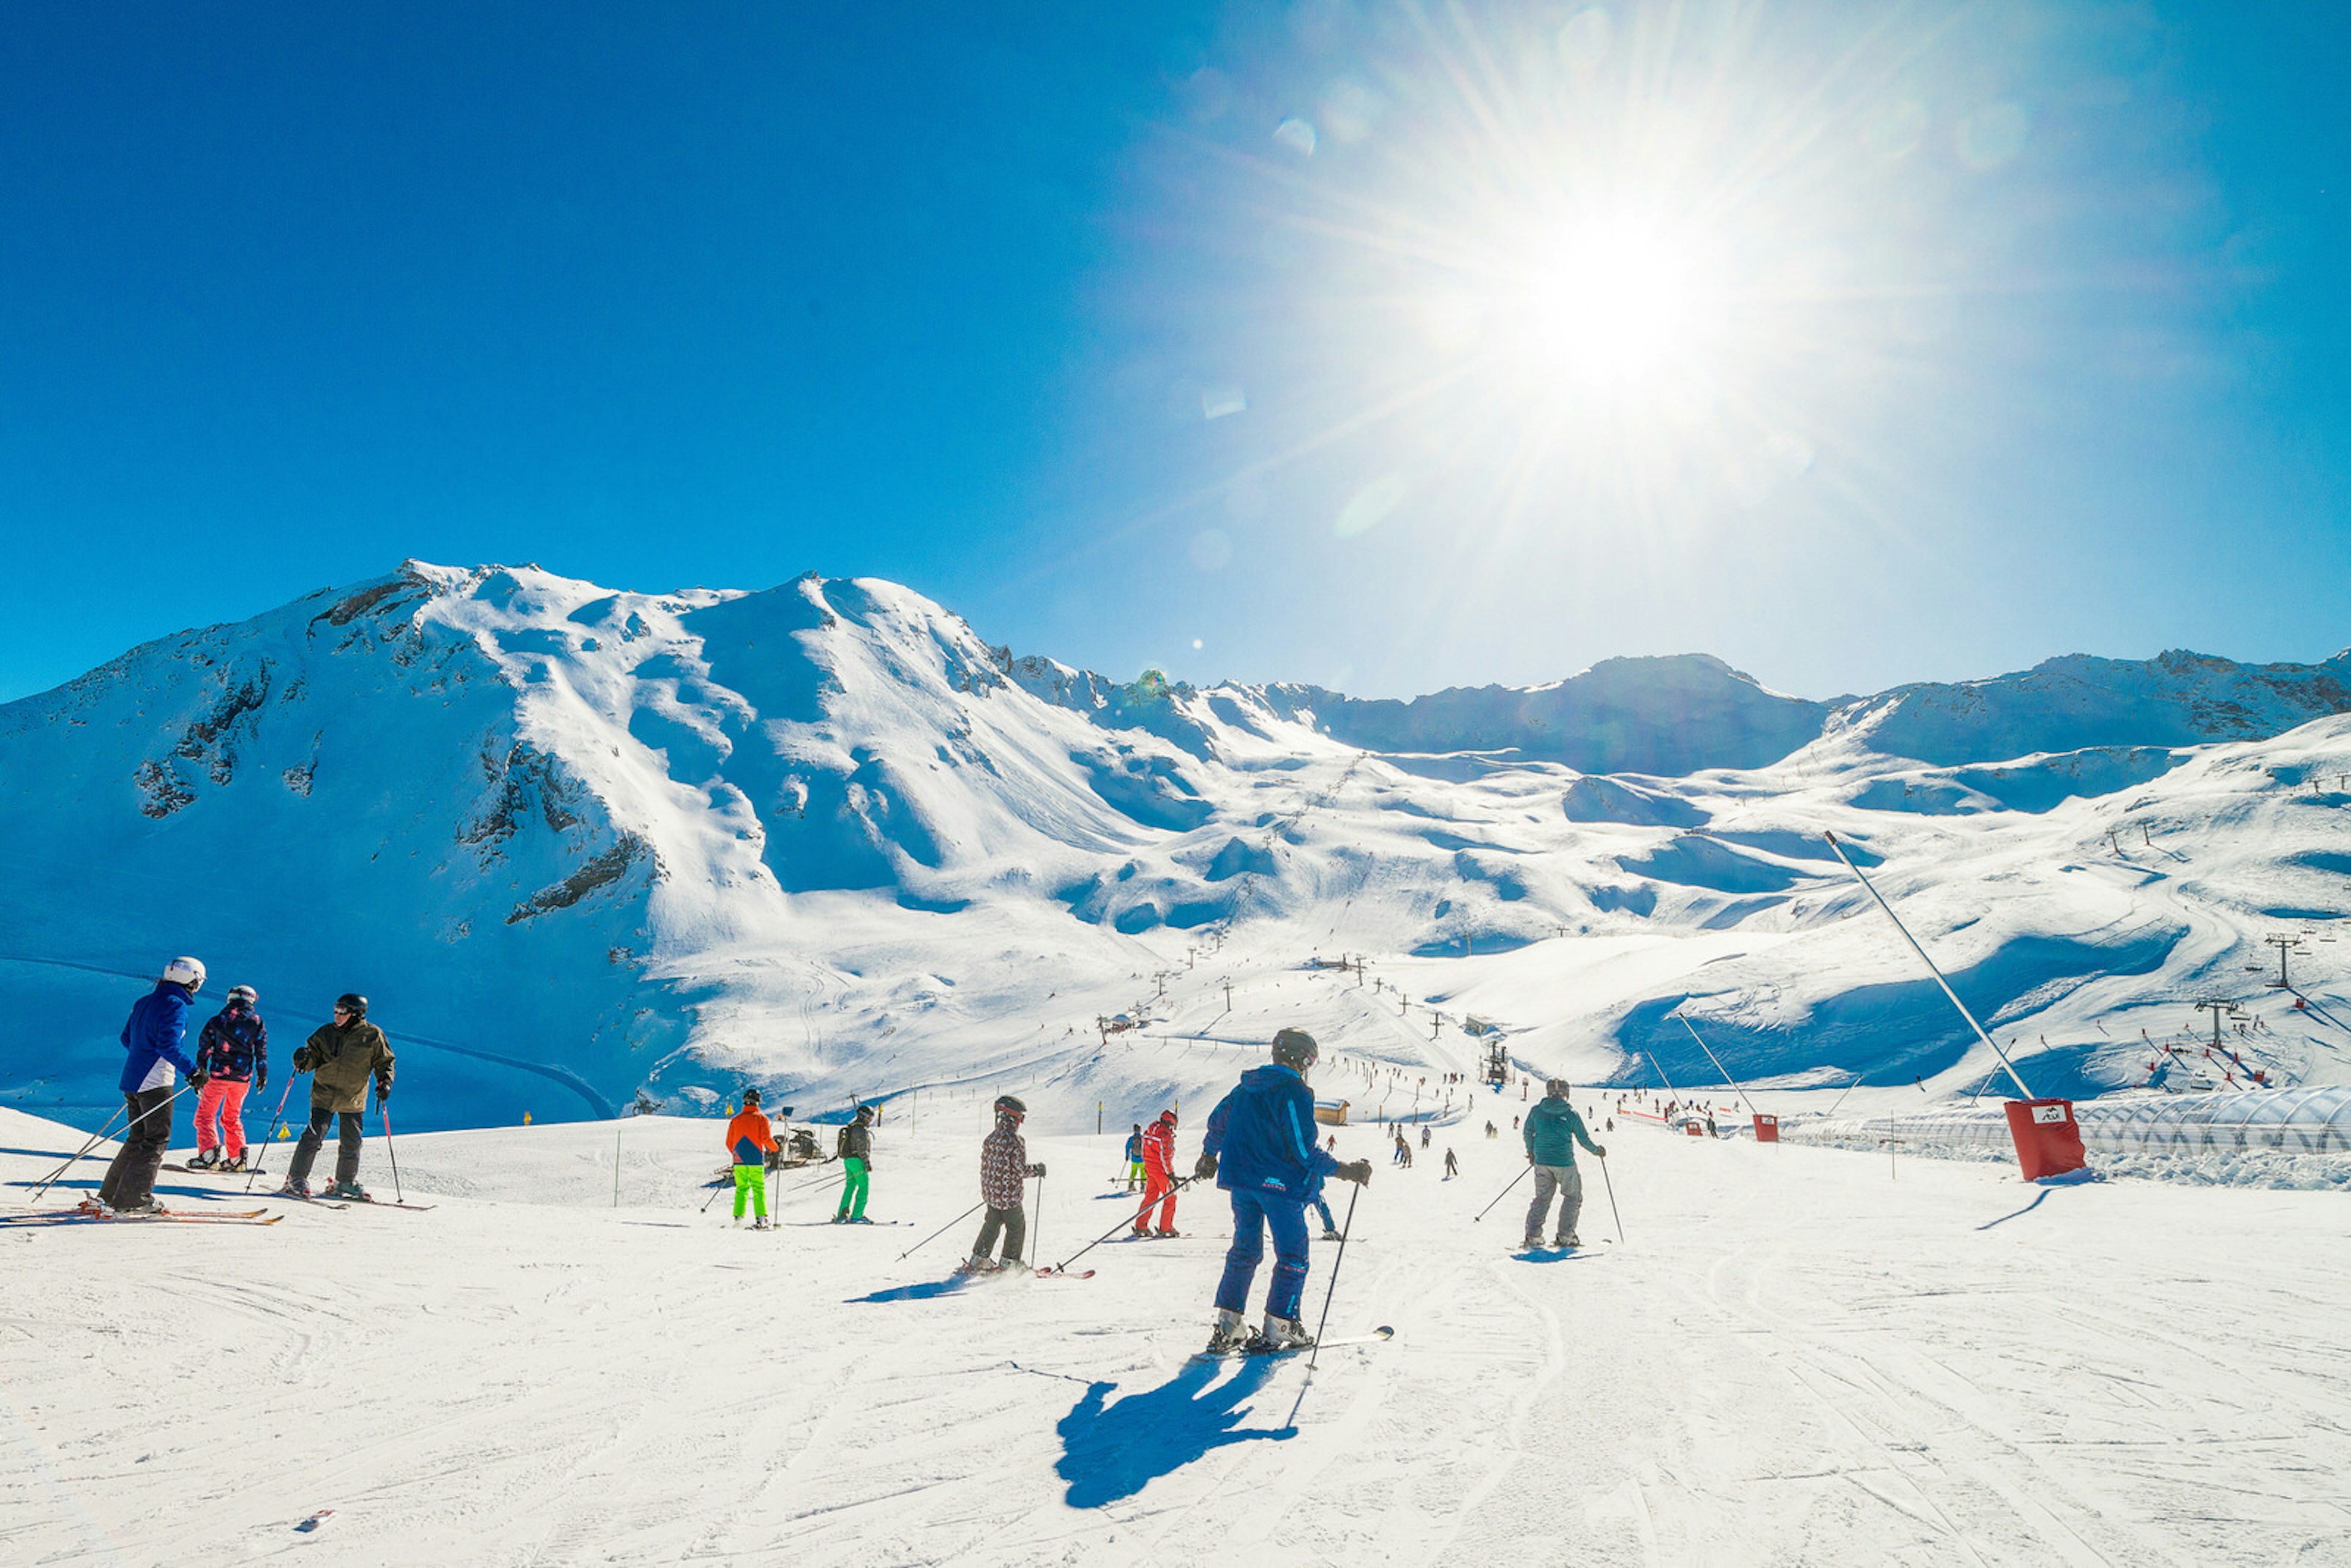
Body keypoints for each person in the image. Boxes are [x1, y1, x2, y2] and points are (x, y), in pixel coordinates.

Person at [1194, 1028, 1371, 1353]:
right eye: (1310, 1061)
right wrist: (1345, 1170)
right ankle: (1280, 1324)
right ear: (1301, 1059)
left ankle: (1229, 1326)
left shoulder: (1246, 1087)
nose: (1308, 1068)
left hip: (1243, 1183)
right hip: (1280, 1186)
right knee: (1292, 1255)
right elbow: (1304, 1150)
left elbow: (1218, 1119)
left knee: (1245, 1250)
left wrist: (1209, 1155)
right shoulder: (1294, 1091)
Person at [96, 957, 208, 1214]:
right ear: (192, 980)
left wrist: (143, 1054)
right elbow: (168, 1046)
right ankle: (134, 1199)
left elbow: (127, 1039)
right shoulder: (175, 1006)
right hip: (155, 1081)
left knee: (137, 1138)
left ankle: (110, 1196)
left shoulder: (144, 1002)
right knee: (156, 1139)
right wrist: (194, 1071)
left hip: (133, 1078)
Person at [280, 993, 394, 1201]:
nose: (337, 1016)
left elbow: (384, 1061)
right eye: (336, 1010)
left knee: (352, 1142)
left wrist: (385, 1082)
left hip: (353, 1097)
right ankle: (296, 1178)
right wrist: (303, 1060)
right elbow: (311, 1057)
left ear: (357, 1014)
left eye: (343, 1012)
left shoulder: (372, 1035)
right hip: (325, 1094)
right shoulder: (326, 1033)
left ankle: (345, 1182)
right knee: (314, 1136)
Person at [189, 984, 267, 1172]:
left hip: (218, 1075)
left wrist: (200, 1071)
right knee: (232, 1117)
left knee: (206, 1116)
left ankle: (209, 1155)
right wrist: (262, 1073)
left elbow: (205, 1048)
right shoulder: (256, 1022)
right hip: (242, 1078)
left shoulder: (217, 1021)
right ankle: (236, 1159)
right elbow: (261, 1051)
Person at [1522, 1078, 1605, 1250]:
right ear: (1566, 1093)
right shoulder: (1571, 1114)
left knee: (1542, 1198)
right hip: (1564, 1162)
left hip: (1542, 1162)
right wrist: (1597, 1151)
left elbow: (1528, 1131)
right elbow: (1583, 1139)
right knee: (1572, 1196)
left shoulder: (1537, 1111)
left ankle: (1533, 1236)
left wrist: (1531, 1152)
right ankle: (1566, 1235)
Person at [966, 1094, 1043, 1273]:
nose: (1020, 1123)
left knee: (992, 1224)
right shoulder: (1015, 1141)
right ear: (1014, 1118)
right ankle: (1010, 1262)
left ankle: (979, 1259)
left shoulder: (991, 1138)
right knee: (1017, 1226)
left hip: (992, 1195)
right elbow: (1020, 1170)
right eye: (1021, 1118)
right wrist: (1037, 1170)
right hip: (1009, 1197)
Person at [724, 1089, 779, 1228]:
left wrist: (737, 1154)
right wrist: (776, 1148)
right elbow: (766, 1139)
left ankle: (738, 1219)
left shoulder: (735, 1120)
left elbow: (729, 1142)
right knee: (758, 1188)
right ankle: (761, 1219)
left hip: (739, 1161)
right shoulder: (761, 1119)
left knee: (741, 1189)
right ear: (758, 1102)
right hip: (755, 1160)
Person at [1134, 1109, 1179, 1237]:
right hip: (1161, 1172)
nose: (1173, 1128)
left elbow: (1144, 1150)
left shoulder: (1150, 1131)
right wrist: (1171, 1175)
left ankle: (1141, 1226)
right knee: (1170, 1197)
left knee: (1150, 1197)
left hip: (1150, 1170)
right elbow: (1165, 1157)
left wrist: (1148, 1166)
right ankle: (1166, 1228)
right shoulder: (1165, 1135)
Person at [833, 1103, 876, 1222]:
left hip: (849, 1160)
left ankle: (842, 1214)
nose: (870, 1120)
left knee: (850, 1187)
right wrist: (867, 1163)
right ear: (862, 1116)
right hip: (857, 1161)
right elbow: (862, 1149)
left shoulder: (852, 1126)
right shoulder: (861, 1130)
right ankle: (857, 1215)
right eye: (869, 1118)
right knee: (864, 1187)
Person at [1124, 1123, 1145, 1192]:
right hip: (1142, 1159)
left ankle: (1131, 1185)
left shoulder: (1131, 1139)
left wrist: (1127, 1156)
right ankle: (1143, 1186)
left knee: (1133, 1172)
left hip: (1134, 1158)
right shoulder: (1143, 1138)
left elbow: (1128, 1147)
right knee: (1143, 1172)